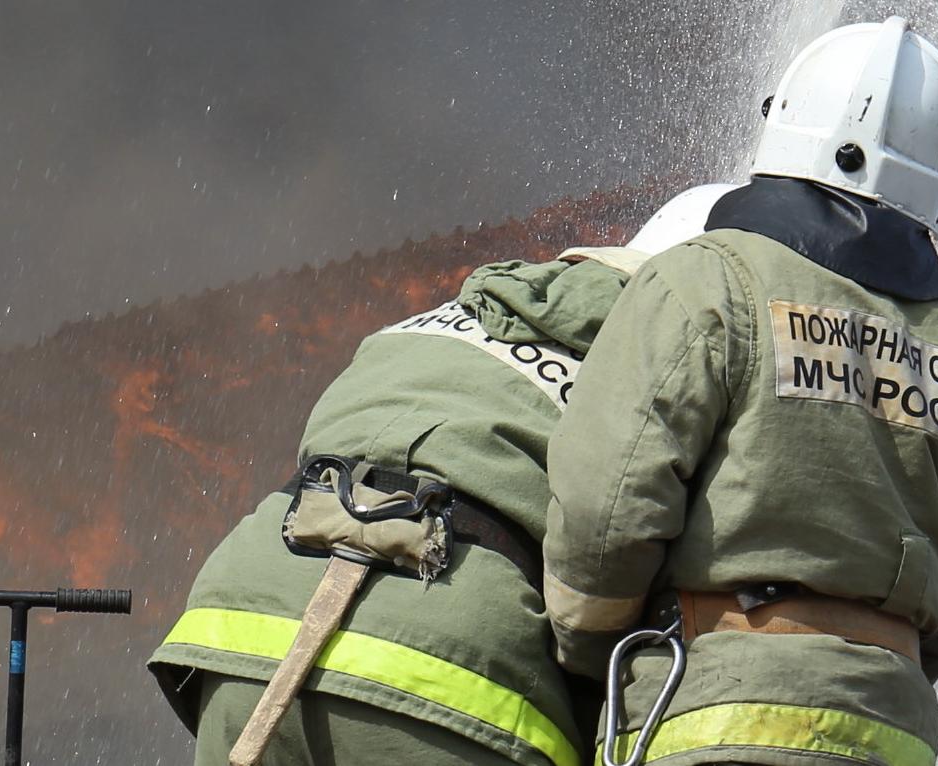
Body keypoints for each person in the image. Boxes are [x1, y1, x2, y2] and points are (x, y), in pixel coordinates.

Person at [542, 17, 938, 766]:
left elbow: (605, 516)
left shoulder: (705, 280)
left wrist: (589, 658)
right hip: (893, 735)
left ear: (783, 121)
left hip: (713, 717)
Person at [148, 182, 742, 766]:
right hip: (447, 671)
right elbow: (623, 558)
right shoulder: (675, 364)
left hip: (241, 632)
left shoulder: (433, 321)